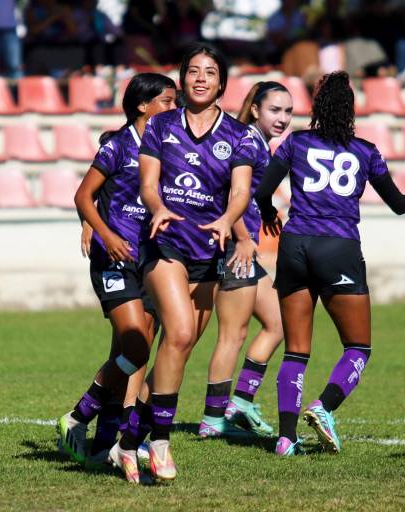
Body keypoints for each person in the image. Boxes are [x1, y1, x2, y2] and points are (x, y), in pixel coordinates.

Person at [253, 71, 405, 457]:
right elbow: (399, 205)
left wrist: (270, 213)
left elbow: (262, 190)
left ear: (316, 107)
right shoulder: (365, 151)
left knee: (295, 350)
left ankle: (285, 439)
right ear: (351, 110)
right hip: (339, 248)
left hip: (295, 245)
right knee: (358, 346)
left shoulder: (296, 142)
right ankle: (324, 407)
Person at [111, 43, 256, 483]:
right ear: (183, 77)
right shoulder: (160, 126)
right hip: (164, 243)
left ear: (221, 83)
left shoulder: (240, 136)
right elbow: (148, 183)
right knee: (180, 331)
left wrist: (229, 222)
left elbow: (240, 192)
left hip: (209, 250)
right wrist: (156, 207)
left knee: (178, 350)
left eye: (209, 72)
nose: (200, 78)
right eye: (192, 71)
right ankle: (160, 440)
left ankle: (127, 441)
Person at [57, 73, 176, 472]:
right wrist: (102, 232)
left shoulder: (167, 150)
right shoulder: (120, 146)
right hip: (115, 260)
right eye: (167, 101)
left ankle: (105, 440)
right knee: (135, 348)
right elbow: (82, 196)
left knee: (128, 351)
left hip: (152, 260)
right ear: (143, 105)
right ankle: (78, 416)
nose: (173, 109)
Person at [198, 81, 292, 438]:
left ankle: (241, 402)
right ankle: (212, 419)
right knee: (232, 336)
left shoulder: (260, 145)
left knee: (279, 322)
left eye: (288, 111)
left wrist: (265, 212)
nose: (282, 118)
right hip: (233, 248)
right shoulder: (248, 143)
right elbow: (229, 196)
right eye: (274, 110)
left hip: (244, 246)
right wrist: (241, 237)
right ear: (255, 110)